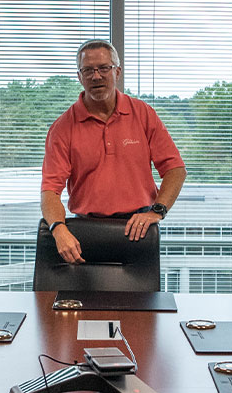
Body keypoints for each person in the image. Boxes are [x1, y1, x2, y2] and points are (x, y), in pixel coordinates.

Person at [40, 38, 187, 263]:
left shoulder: (143, 114)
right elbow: (50, 190)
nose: (96, 76)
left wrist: (157, 211)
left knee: (144, 300)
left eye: (103, 68)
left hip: (139, 230)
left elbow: (175, 169)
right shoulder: (62, 128)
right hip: (85, 233)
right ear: (79, 77)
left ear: (117, 71)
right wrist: (58, 229)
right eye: (87, 70)